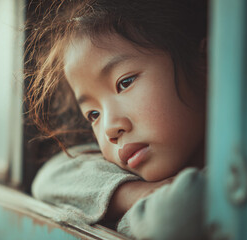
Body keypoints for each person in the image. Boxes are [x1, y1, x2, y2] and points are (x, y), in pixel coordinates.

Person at [25, 0, 208, 239]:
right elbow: (50, 177)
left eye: (125, 83)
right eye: (93, 114)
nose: (110, 128)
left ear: (207, 64)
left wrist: (127, 215)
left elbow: (173, 215)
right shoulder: (134, 178)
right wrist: (134, 194)